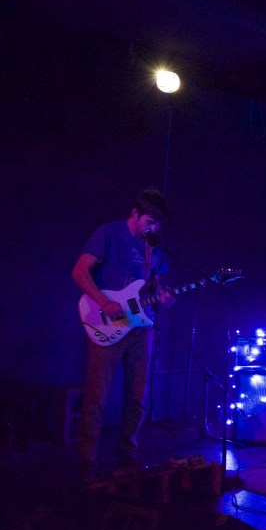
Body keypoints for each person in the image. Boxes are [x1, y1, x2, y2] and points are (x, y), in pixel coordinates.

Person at [72, 188, 175, 482]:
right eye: (149, 222)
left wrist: (167, 299)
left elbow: (157, 289)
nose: (153, 228)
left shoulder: (155, 250)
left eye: (157, 224)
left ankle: (127, 455)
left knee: (137, 397)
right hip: (107, 322)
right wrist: (104, 302)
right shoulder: (108, 233)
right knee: (97, 396)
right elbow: (79, 272)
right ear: (134, 213)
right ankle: (86, 461)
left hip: (141, 328)